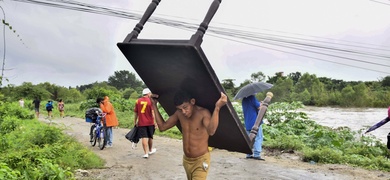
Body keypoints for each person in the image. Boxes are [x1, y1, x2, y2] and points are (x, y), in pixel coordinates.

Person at [151, 90, 227, 179]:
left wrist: (217, 107)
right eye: (180, 109)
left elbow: (211, 131)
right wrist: (154, 105)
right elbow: (162, 127)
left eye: (185, 107)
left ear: (192, 102)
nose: (183, 111)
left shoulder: (203, 113)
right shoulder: (179, 114)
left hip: (201, 160)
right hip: (187, 161)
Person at [134, 88, 156, 158]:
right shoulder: (151, 101)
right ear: (148, 93)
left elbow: (136, 113)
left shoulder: (138, 101)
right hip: (150, 122)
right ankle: (150, 150)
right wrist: (155, 122)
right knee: (150, 137)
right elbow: (153, 113)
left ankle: (146, 153)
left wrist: (135, 121)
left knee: (144, 137)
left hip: (141, 122)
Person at [242, 94, 265, 161]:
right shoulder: (252, 97)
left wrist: (259, 104)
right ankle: (257, 154)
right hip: (255, 122)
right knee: (258, 137)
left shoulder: (244, 99)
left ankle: (248, 153)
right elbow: (259, 108)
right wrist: (262, 104)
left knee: (250, 138)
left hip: (247, 122)